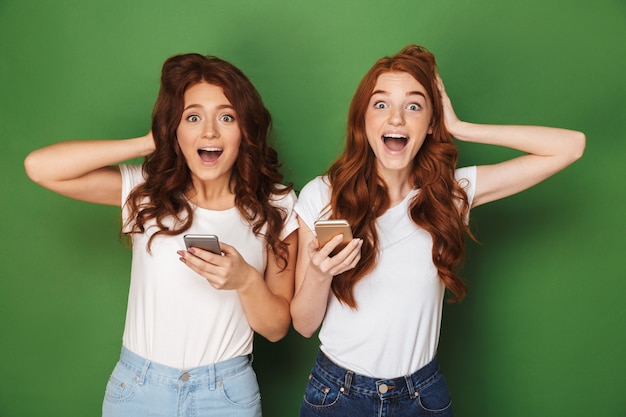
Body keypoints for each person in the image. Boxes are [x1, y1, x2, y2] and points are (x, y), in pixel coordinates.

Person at [290, 45, 585, 417]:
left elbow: (571, 147)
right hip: (335, 394)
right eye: (381, 105)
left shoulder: (451, 194)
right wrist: (319, 273)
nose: (396, 118)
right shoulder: (323, 195)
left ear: (431, 123)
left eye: (413, 106)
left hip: (420, 398)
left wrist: (461, 128)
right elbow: (303, 324)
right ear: (363, 119)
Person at [24, 53, 298, 417]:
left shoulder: (277, 204)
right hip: (138, 389)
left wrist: (245, 280)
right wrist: (147, 143)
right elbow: (40, 168)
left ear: (245, 130)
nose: (210, 131)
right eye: (193, 117)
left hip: (226, 393)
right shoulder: (146, 192)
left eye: (227, 117)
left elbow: (277, 328)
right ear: (175, 130)